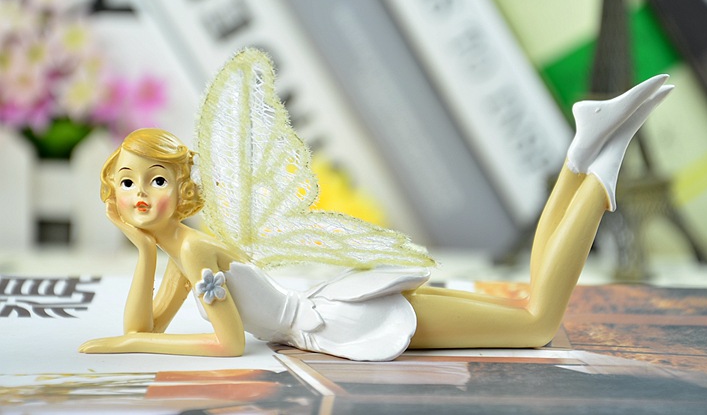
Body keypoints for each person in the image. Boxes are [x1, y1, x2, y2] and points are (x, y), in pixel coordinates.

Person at [79, 50, 672, 361]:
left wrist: (133, 345)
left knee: (536, 324)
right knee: (527, 312)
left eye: (155, 180)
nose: (140, 194)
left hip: (342, 318)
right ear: (113, 195)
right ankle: (584, 153)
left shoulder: (195, 251)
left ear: (180, 188)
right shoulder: (183, 250)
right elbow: (145, 324)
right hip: (341, 302)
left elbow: (226, 344)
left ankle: (599, 166)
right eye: (127, 183)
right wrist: (143, 256)